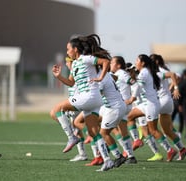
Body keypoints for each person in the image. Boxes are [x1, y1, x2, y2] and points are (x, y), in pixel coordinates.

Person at [50, 34, 114, 171]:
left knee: (57, 109)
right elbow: (71, 83)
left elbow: (105, 62)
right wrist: (58, 76)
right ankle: (107, 160)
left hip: (89, 96)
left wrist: (100, 78)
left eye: (68, 49)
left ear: (75, 49)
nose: (67, 52)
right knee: (93, 132)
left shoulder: (85, 59)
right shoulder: (75, 64)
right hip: (93, 100)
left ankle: (72, 137)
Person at [126, 54, 176, 162]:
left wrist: (132, 98)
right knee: (129, 117)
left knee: (153, 131)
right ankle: (136, 140)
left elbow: (138, 86)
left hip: (151, 105)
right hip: (146, 104)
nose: (135, 62)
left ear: (143, 63)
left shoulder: (144, 72)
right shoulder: (147, 72)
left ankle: (170, 150)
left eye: (137, 60)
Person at [150, 54, 186, 160]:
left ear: (156, 62)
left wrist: (175, 88)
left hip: (161, 101)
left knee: (150, 128)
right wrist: (171, 88)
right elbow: (176, 76)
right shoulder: (160, 70)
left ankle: (169, 150)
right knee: (167, 131)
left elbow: (174, 75)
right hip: (168, 102)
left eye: (151, 60)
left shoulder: (158, 71)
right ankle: (182, 149)